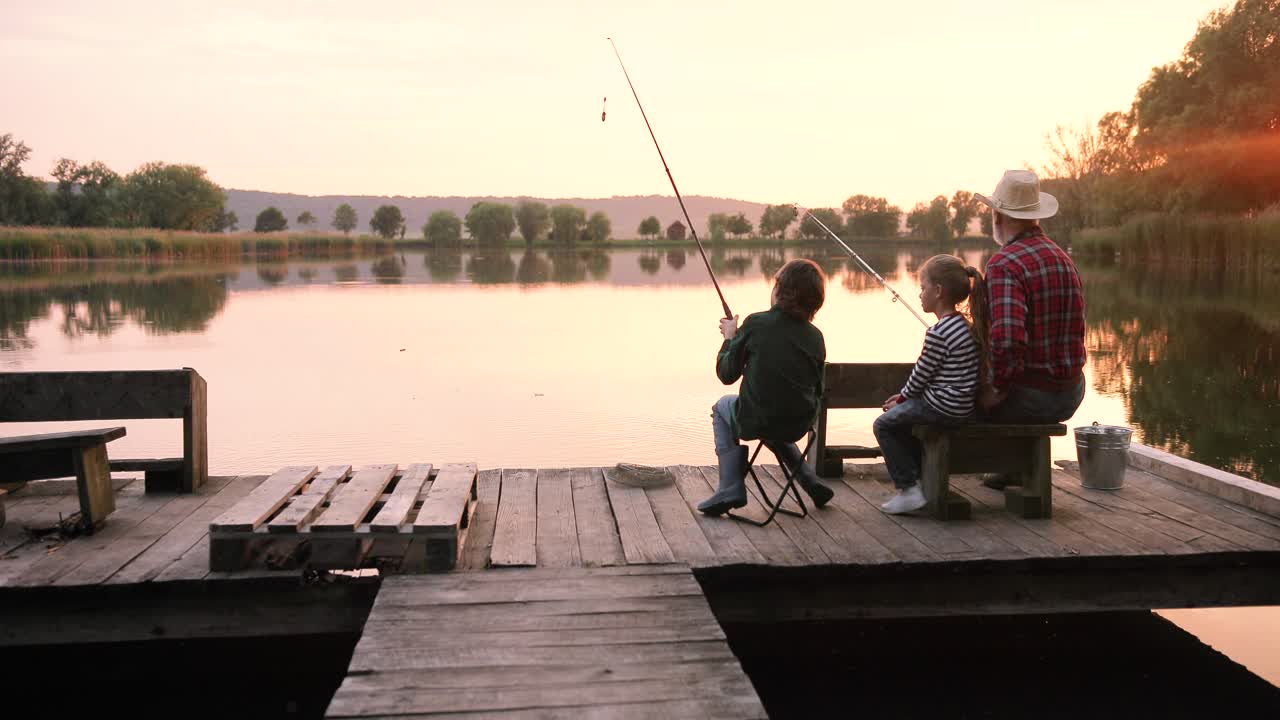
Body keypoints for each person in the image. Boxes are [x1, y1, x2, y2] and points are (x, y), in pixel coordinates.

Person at [974, 170, 1087, 489]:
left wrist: (995, 391)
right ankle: (1012, 468)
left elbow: (1008, 342)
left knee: (954, 397)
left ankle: (945, 470)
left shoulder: (1004, 264)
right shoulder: (1063, 258)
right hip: (1072, 393)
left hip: (1032, 399)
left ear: (998, 216)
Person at [698, 259, 834, 515]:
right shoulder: (816, 336)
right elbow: (817, 387)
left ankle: (730, 487)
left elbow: (726, 374)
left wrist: (729, 339)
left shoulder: (756, 323)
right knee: (777, 415)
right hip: (799, 424)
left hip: (758, 419)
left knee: (721, 407)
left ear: (782, 291)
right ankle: (809, 480)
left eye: (776, 283)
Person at [874, 255, 988, 514]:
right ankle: (920, 477)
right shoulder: (967, 327)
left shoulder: (938, 333)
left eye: (923, 287)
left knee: (883, 424)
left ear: (938, 291)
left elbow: (920, 376)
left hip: (942, 406)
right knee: (903, 422)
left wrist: (901, 399)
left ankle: (908, 489)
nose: (919, 294)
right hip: (962, 406)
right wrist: (906, 399)